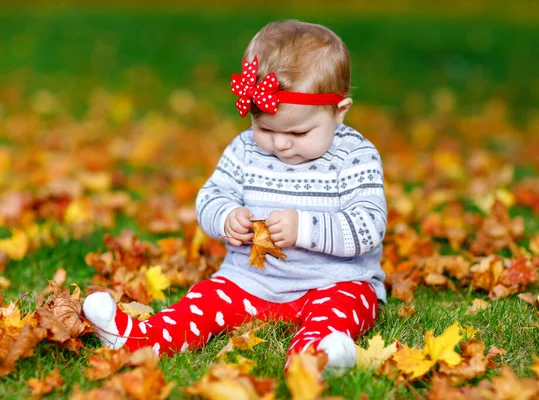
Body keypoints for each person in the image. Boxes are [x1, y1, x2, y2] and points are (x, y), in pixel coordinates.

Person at [83, 19, 387, 368]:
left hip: (332, 283)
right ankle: (140, 337)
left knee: (344, 306)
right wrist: (226, 216)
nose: (281, 143)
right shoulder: (244, 150)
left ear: (339, 112)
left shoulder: (354, 156)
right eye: (264, 128)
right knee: (203, 300)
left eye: (299, 133)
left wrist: (305, 229)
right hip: (249, 282)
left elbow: (369, 226)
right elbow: (212, 195)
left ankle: (318, 356)